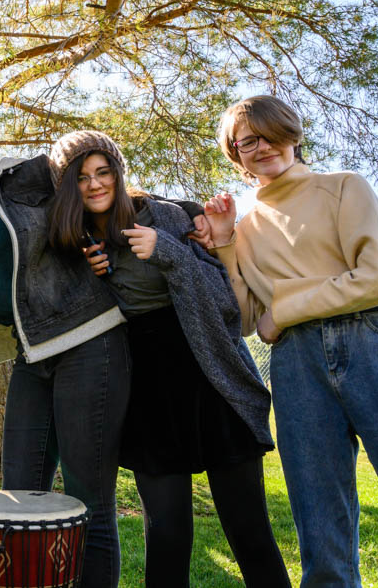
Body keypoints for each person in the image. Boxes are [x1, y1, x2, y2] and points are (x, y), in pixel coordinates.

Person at [201, 95, 378, 587]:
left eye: (270, 133)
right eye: (246, 141)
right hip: (297, 365)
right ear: (235, 154)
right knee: (320, 528)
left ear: (291, 133)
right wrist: (226, 244)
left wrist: (286, 309)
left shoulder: (343, 188)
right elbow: (249, 319)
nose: (262, 147)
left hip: (374, 341)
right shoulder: (247, 229)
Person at [57, 130, 289, 587]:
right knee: (167, 536)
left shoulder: (161, 215)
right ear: (67, 185)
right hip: (147, 396)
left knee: (249, 533)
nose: (95, 184)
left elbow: (224, 302)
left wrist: (169, 254)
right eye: (81, 177)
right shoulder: (74, 241)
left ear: (119, 174)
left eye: (104, 172)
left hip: (211, 381)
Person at [0, 114, 129, 588]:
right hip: (32, 358)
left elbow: (100, 190)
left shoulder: (23, 178)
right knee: (18, 496)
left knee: (89, 500)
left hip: (87, 341)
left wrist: (116, 241)